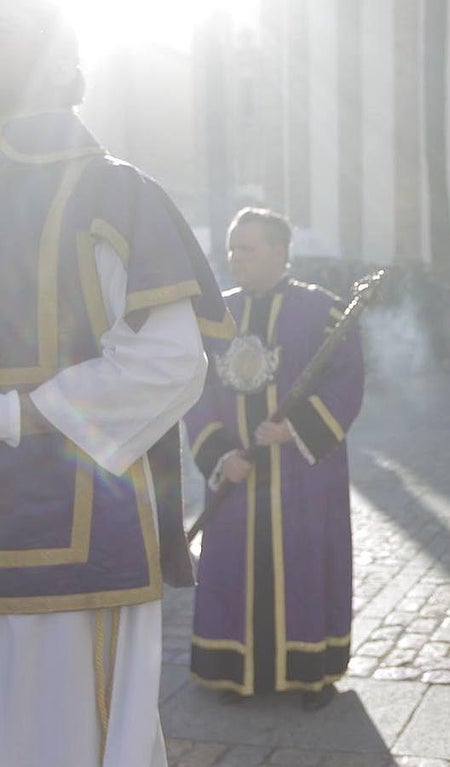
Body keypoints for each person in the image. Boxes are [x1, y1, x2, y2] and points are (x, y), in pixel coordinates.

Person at [0, 3, 234, 765]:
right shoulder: (121, 192)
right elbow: (170, 364)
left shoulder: (108, 194)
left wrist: (19, 414)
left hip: (72, 533)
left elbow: (169, 365)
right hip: (79, 527)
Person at [184, 208, 365, 711]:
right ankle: (235, 669)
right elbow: (195, 392)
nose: (235, 258)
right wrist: (221, 455)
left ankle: (311, 671)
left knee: (303, 567)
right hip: (238, 477)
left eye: (248, 248)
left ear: (281, 251)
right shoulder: (214, 316)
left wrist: (294, 429)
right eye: (232, 248)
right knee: (234, 569)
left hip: (300, 476)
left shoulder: (323, 313)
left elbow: (347, 382)